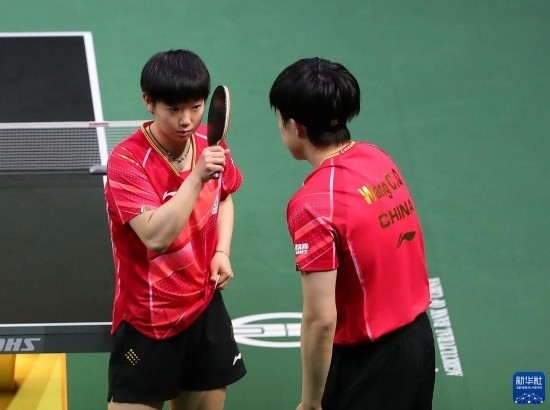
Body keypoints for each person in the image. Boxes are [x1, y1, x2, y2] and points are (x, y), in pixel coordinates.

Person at [269, 57, 435, 410]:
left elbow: (320, 320)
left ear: (295, 126)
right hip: (418, 342)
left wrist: (310, 402)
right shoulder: (378, 158)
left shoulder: (312, 204)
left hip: (368, 365)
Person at [104, 49, 246, 410]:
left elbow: (225, 195)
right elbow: (155, 237)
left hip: (203, 305)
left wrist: (222, 250)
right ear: (148, 102)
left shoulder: (209, 143)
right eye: (174, 109)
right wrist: (196, 178)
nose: (186, 120)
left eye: (196, 107)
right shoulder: (127, 161)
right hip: (148, 316)